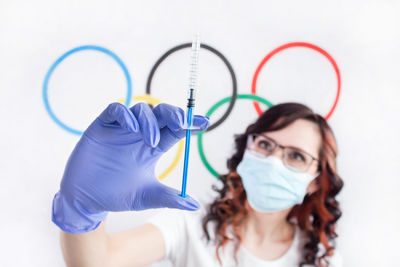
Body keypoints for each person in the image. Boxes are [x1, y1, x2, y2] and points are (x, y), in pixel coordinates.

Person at [51, 101, 343, 267]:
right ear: (247, 151)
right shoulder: (189, 223)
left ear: (315, 182)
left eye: (295, 155)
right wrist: (84, 207)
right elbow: (96, 263)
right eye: (266, 144)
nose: (274, 160)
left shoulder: (323, 260)